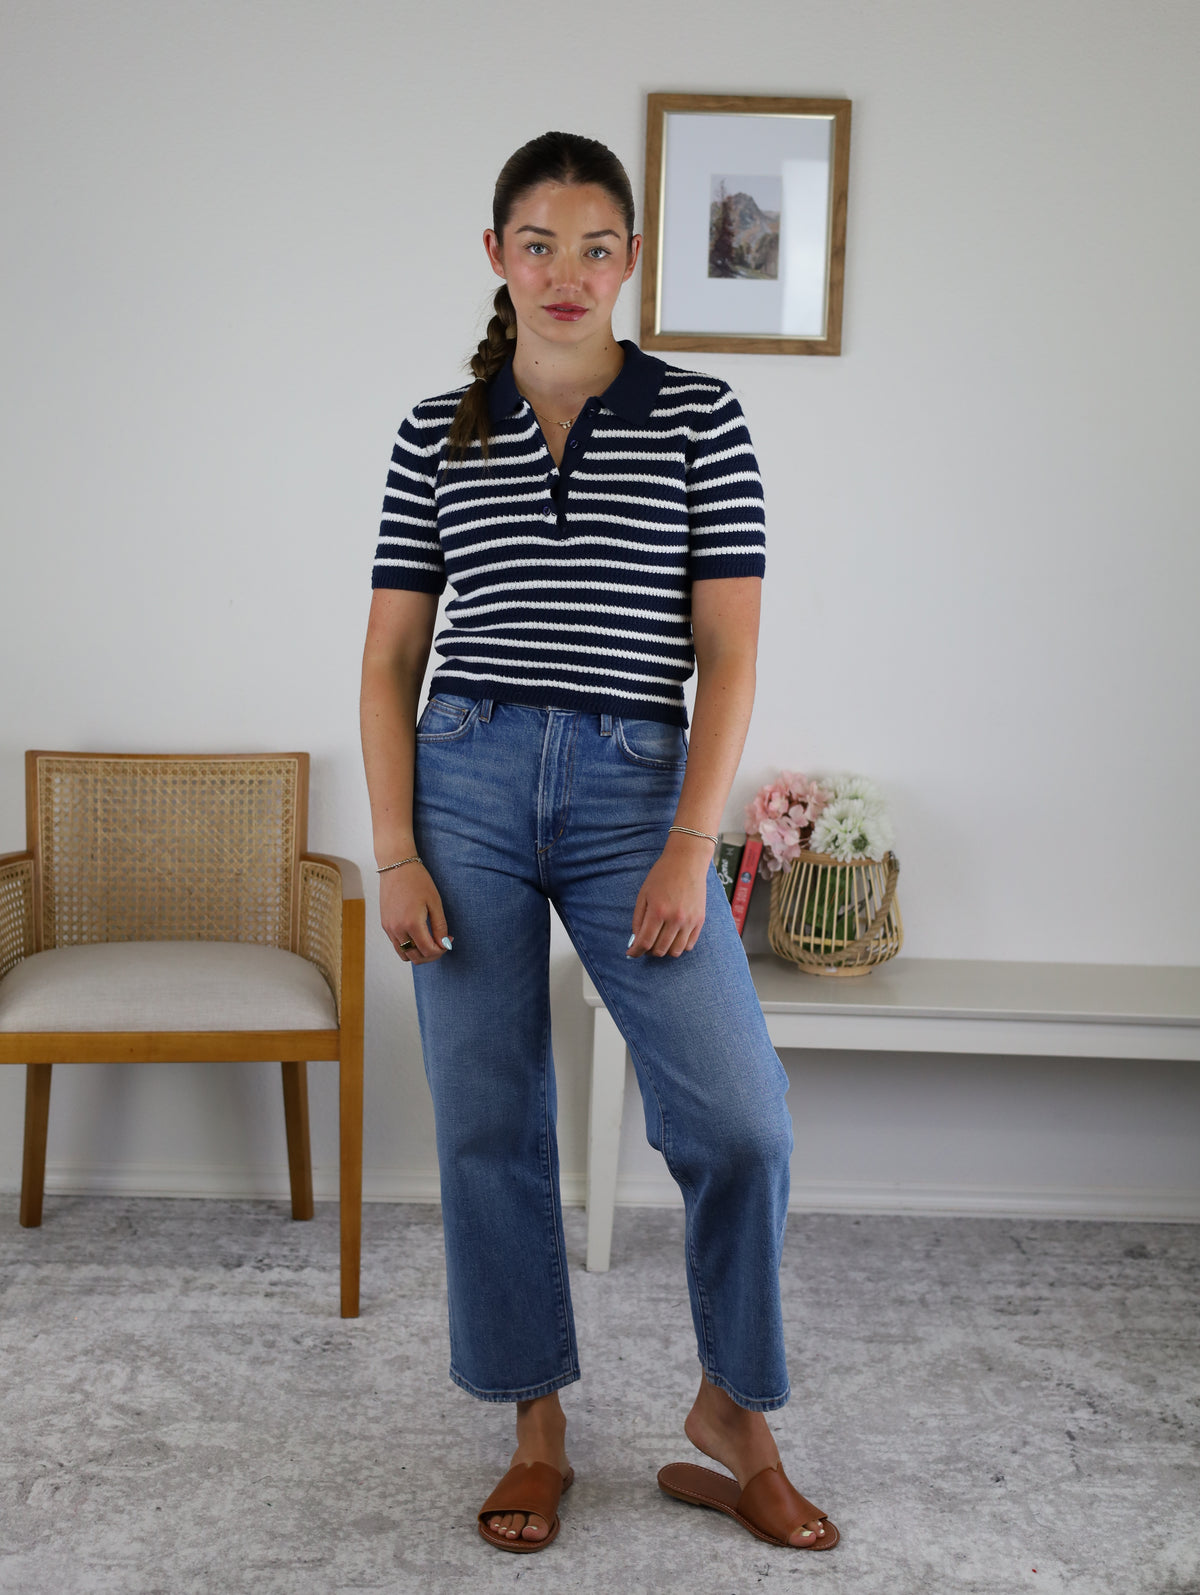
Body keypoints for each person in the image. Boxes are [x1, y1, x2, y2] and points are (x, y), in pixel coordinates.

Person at [359, 130, 838, 1556]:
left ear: (630, 260)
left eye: (595, 245)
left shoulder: (700, 416)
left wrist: (694, 844)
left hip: (639, 789)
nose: (566, 272)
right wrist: (395, 849)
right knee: (488, 1120)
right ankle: (535, 1425)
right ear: (497, 256)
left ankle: (733, 1414)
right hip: (464, 781)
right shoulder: (434, 432)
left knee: (740, 1120)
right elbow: (390, 660)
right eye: (538, 243)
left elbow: (729, 655)